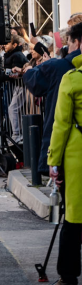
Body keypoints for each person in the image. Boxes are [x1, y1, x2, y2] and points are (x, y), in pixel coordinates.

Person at [47, 52, 82, 285]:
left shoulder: (72, 78)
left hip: (76, 158)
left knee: (73, 220)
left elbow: (61, 123)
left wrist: (53, 162)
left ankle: (68, 278)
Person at [26, 24, 82, 176]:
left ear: (77, 43)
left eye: (68, 44)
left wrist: (53, 162)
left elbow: (61, 122)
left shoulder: (67, 74)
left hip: (72, 147)